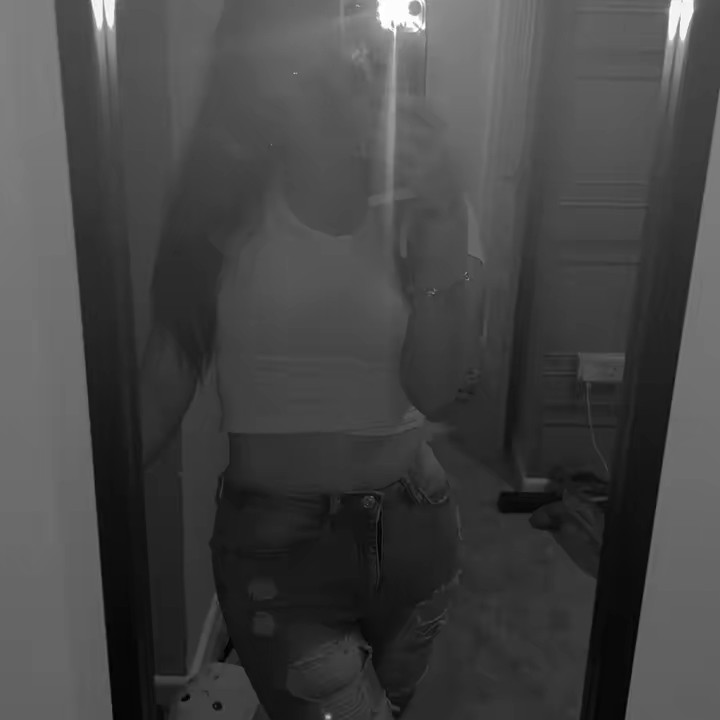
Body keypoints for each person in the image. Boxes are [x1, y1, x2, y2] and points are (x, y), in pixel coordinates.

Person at [141, 1, 476, 718]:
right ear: (258, 77)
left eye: (357, 55)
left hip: (418, 529)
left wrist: (446, 215)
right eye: (309, 63)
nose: (344, 74)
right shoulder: (218, 208)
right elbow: (159, 390)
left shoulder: (417, 199)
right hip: (278, 554)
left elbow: (437, 389)